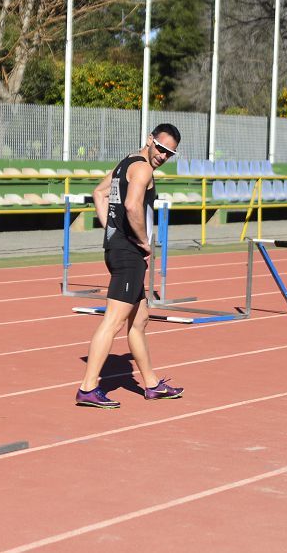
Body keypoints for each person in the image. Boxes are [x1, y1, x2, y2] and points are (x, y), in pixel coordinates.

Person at [76, 124, 184, 409]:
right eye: (161, 148)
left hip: (117, 249)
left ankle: (151, 384)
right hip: (129, 254)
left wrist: (111, 230)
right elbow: (133, 206)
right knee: (112, 321)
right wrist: (142, 240)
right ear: (150, 140)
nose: (163, 155)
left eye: (170, 153)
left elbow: (99, 193)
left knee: (139, 322)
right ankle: (88, 388)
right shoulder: (143, 169)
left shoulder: (126, 163)